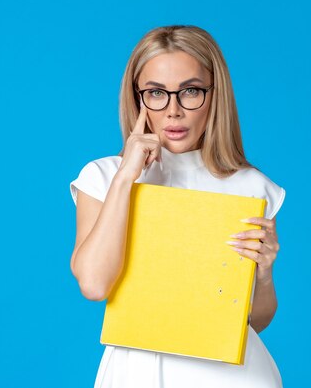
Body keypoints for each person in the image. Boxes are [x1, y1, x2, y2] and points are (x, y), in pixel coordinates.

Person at [69, 25, 286, 388]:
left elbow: (254, 322)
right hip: (137, 373)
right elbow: (94, 285)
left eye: (190, 91)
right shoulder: (104, 176)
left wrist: (263, 276)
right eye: (156, 93)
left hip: (235, 377)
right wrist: (127, 177)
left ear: (214, 95)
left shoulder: (251, 186)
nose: (173, 110)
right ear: (138, 98)